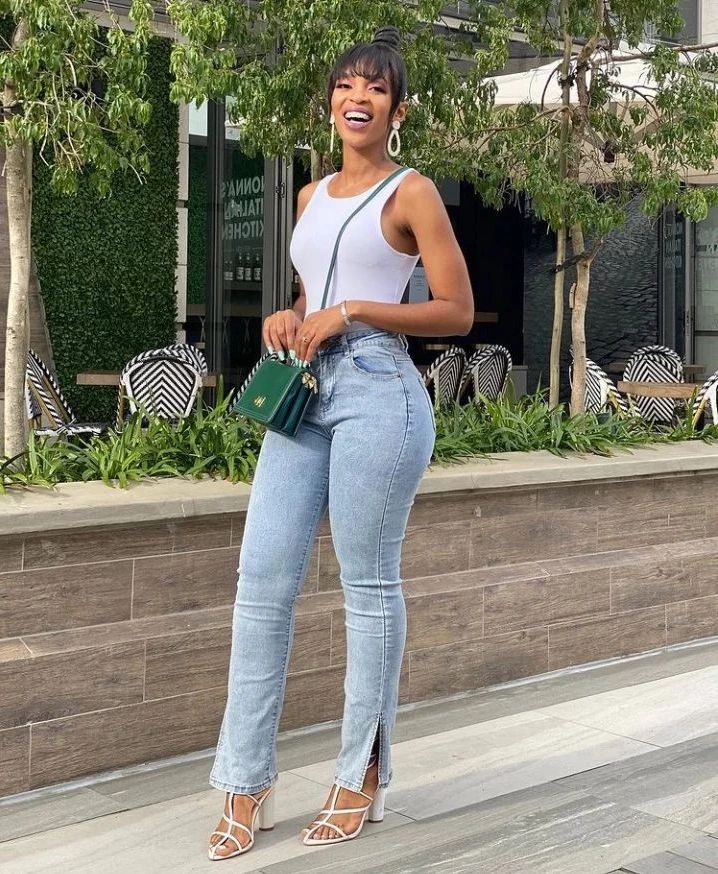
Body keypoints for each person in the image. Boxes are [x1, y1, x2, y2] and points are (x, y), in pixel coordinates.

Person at [207, 25, 473, 861]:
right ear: (330, 102)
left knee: (368, 586)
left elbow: (456, 310)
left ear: (398, 109)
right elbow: (313, 289)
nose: (359, 98)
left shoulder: (412, 192)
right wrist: (289, 315)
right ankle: (244, 782)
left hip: (378, 393)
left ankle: (361, 774)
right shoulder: (308, 195)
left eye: (377, 88)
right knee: (261, 583)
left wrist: (352, 312)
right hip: (304, 390)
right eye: (347, 85)